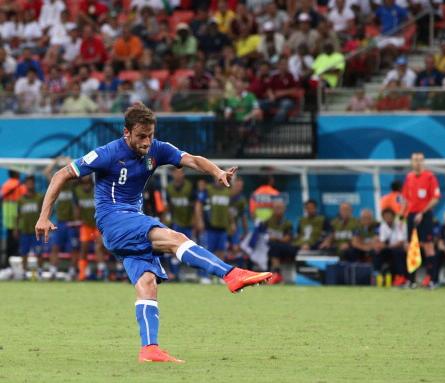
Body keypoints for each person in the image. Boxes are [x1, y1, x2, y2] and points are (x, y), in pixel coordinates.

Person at [35, 102, 272, 363]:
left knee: (147, 283)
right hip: (113, 220)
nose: (147, 142)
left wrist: (216, 171)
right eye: (141, 136)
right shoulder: (107, 153)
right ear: (127, 133)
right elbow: (61, 174)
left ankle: (150, 349)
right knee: (176, 239)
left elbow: (191, 159)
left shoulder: (157, 149)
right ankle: (231, 274)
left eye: (150, 135)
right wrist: (44, 216)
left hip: (131, 222)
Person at [401, 152, 441, 288]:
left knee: (429, 247)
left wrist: (422, 212)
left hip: (425, 215)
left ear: (423, 162)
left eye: (420, 160)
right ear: (411, 162)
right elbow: (406, 199)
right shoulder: (409, 177)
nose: (417, 163)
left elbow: (435, 198)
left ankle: (432, 280)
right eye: (415, 160)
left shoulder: (430, 177)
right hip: (411, 215)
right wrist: (401, 216)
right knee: (411, 247)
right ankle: (411, 281)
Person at [44, 157, 79, 280]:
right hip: (59, 222)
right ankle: (53, 271)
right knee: (55, 247)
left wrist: (68, 160)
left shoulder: (71, 185)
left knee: (74, 249)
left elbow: (75, 168)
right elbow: (47, 172)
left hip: (71, 223)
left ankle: (72, 271)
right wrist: (56, 160)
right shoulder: (56, 187)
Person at [74, 175, 106, 280]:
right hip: (86, 224)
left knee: (99, 247)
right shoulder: (77, 191)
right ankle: (82, 273)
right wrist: (77, 217)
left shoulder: (97, 189)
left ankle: (102, 272)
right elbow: (77, 207)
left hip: (98, 224)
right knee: (83, 248)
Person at [165, 168, 195, 281]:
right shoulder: (168, 188)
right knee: (174, 248)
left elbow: (195, 205)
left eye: (180, 172)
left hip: (188, 222)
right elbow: (168, 206)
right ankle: (175, 273)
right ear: (173, 174)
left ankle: (191, 273)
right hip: (175, 222)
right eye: (176, 172)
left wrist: (195, 220)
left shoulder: (190, 187)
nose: (178, 174)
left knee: (190, 248)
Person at [265, 199, 297, 284]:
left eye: (280, 208)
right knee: (272, 247)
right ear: (272, 209)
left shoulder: (287, 223)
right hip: (269, 248)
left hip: (285, 248)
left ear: (284, 209)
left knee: (275, 246)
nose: (278, 210)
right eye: (276, 208)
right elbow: (262, 236)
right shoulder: (267, 222)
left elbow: (287, 239)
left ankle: (276, 274)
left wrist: (274, 238)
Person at [16, 176, 43, 272]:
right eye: (28, 183)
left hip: (37, 231)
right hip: (25, 230)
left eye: (32, 183)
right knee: (24, 252)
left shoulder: (39, 197)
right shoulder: (20, 200)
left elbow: (43, 212)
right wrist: (16, 228)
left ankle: (40, 271)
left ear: (34, 184)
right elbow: (18, 215)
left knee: (39, 252)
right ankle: (24, 272)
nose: (30, 185)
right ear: (25, 185)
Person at [374, 208, 407, 286]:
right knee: (377, 253)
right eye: (386, 216)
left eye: (389, 216)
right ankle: (377, 274)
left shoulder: (400, 224)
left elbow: (401, 242)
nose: (388, 218)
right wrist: (380, 246)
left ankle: (400, 277)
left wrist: (387, 246)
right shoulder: (383, 226)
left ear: (393, 216)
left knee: (398, 253)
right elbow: (382, 241)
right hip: (390, 248)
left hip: (401, 248)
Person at [1, 171, 27, 267]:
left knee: (9, 243)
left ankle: (7, 264)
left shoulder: (5, 185)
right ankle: (16, 266)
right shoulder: (20, 185)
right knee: (18, 244)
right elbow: (26, 197)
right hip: (18, 218)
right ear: (16, 174)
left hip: (7, 219)